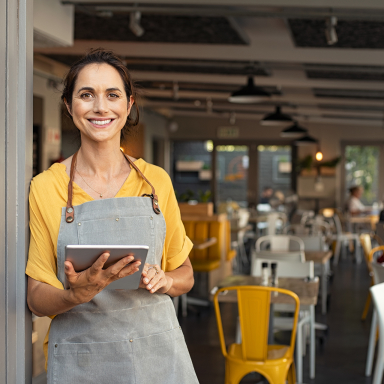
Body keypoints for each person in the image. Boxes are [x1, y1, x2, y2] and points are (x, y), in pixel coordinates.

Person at [26, 49, 199, 384]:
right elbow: (36, 298)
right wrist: (75, 294)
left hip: (156, 355)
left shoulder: (155, 182)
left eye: (112, 95)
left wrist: (166, 280)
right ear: (68, 105)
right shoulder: (46, 187)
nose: (100, 107)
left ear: (129, 104)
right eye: (86, 95)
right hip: (83, 360)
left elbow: (186, 273)